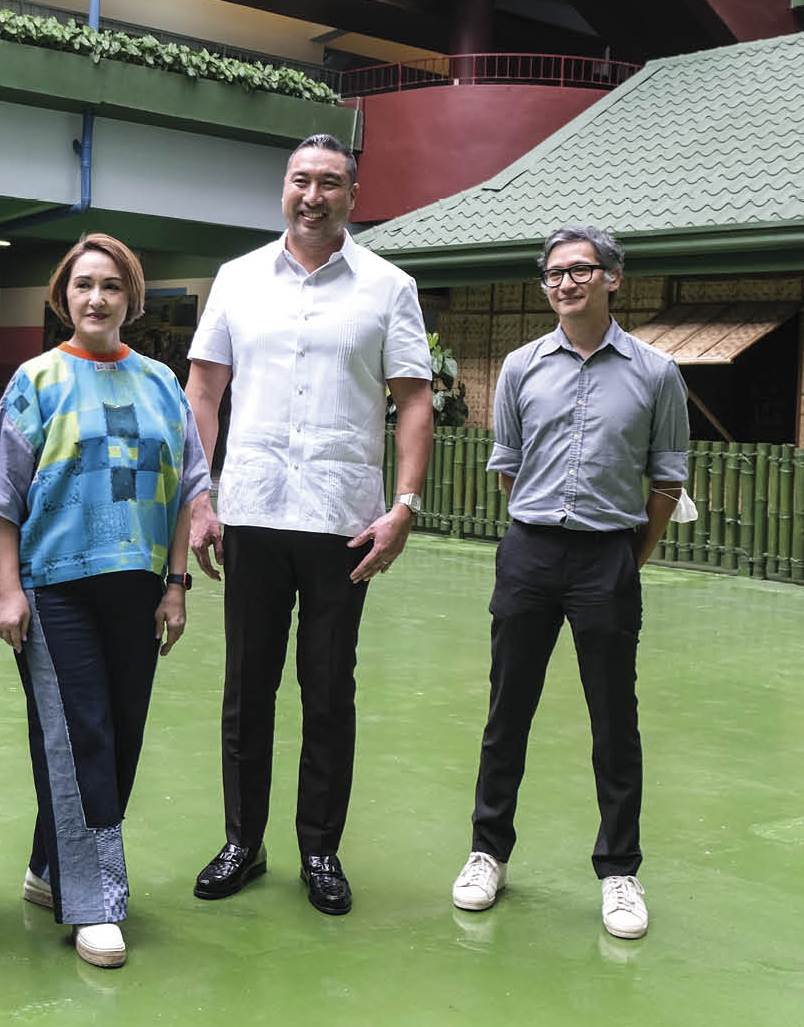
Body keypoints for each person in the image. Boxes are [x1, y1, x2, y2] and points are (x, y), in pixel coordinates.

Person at [183, 133, 433, 916]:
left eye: (329, 182)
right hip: (251, 513)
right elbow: (203, 391)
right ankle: (242, 842)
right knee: (246, 689)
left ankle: (319, 849)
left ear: (352, 195)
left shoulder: (388, 286)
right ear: (283, 188)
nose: (312, 196)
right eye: (300, 180)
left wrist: (404, 505)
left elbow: (413, 399)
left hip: (342, 524)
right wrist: (198, 497)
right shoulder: (237, 279)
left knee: (327, 691)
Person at [449, 227, 689, 941]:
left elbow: (666, 478)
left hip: (607, 557)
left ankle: (619, 871)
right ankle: (487, 853)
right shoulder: (520, 367)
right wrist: (540, 523)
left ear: (612, 278)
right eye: (553, 273)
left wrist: (629, 556)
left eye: (580, 270)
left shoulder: (656, 373)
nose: (565, 283)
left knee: (614, 718)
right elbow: (507, 466)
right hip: (529, 551)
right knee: (507, 710)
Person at [0, 233, 210, 969]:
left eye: (111, 285)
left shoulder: (161, 383)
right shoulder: (36, 381)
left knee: (120, 737)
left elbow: (185, 488)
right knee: (77, 735)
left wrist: (175, 584)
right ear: (63, 295)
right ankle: (95, 904)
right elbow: (1, 498)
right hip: (55, 588)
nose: (96, 298)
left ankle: (48, 867)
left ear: (131, 298)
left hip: (138, 588)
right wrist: (9, 590)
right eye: (83, 284)